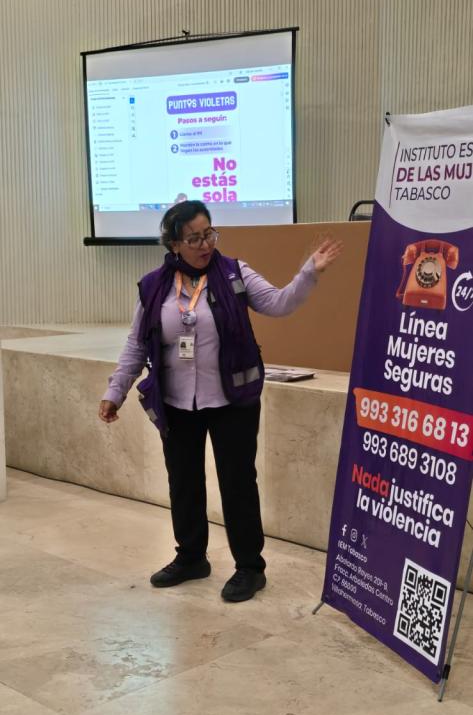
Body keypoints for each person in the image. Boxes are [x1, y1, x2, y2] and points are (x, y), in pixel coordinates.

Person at [99, 200, 342, 602]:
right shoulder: (154, 286)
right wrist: (115, 391)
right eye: (194, 238)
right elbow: (136, 345)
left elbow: (279, 302)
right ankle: (191, 557)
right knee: (183, 481)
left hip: (233, 399)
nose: (205, 244)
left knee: (238, 482)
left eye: (209, 234)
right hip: (177, 402)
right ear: (174, 244)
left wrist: (309, 272)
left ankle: (249, 568)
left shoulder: (234, 273)